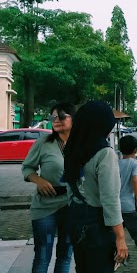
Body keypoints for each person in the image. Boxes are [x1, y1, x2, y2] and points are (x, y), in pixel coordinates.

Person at [63, 101, 128, 272]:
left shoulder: (72, 148)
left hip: (75, 219)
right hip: (97, 225)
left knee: (82, 268)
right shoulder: (105, 153)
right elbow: (110, 200)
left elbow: (70, 186)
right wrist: (120, 237)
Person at [22, 103, 75, 273]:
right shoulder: (44, 142)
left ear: (73, 118)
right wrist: (39, 180)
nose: (56, 120)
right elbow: (27, 168)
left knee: (65, 256)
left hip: (71, 207)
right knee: (42, 257)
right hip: (45, 207)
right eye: (53, 117)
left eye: (61, 116)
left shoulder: (81, 144)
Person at [117, 135, 137, 252]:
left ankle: (114, 259)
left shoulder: (115, 163)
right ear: (135, 150)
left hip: (116, 206)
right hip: (130, 205)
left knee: (115, 235)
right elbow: (135, 179)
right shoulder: (136, 164)